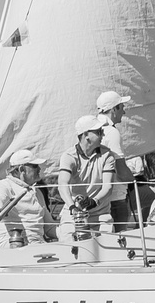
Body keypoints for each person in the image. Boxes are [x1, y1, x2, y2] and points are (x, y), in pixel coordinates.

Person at [60, 115, 132, 246]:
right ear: (86, 135)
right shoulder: (68, 156)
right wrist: (72, 207)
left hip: (101, 213)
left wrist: (93, 201)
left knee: (109, 247)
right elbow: (62, 184)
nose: (103, 134)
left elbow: (108, 187)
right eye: (99, 131)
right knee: (67, 246)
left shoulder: (107, 156)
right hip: (72, 214)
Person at [0, 147, 56, 247]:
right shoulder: (4, 185)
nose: (39, 169)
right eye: (35, 166)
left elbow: (49, 227)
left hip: (37, 243)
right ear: (21, 169)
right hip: (10, 241)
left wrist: (70, 232)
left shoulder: (37, 192)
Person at [94, 91, 144, 222]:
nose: (124, 112)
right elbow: (120, 170)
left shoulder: (91, 130)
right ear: (114, 109)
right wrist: (136, 182)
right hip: (116, 200)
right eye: (122, 107)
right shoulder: (111, 132)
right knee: (120, 238)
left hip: (98, 199)